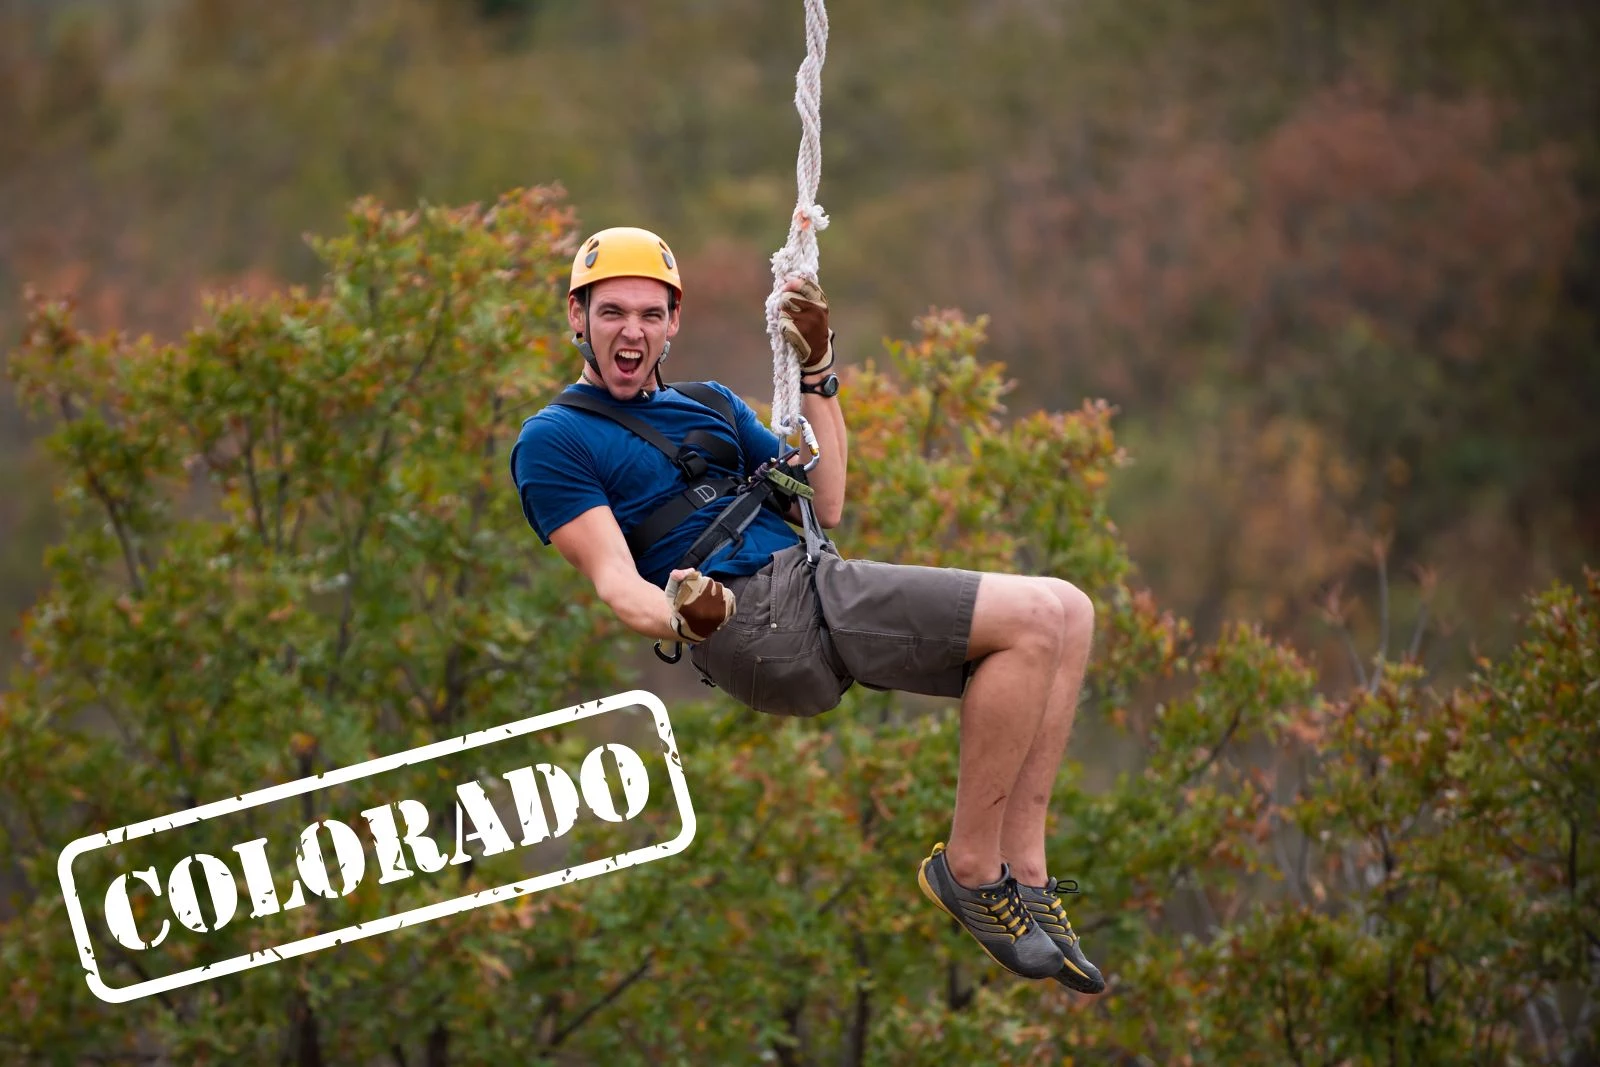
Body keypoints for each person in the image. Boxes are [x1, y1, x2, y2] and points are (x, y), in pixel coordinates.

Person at [509, 225, 1105, 993]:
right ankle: (969, 868)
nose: (632, 331)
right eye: (614, 312)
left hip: (813, 582)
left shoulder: (713, 406)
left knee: (1070, 612)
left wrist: (819, 367)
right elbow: (615, 582)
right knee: (1032, 619)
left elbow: (827, 499)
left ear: (675, 322)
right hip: (755, 620)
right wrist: (682, 615)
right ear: (576, 317)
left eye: (650, 314)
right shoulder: (556, 439)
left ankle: (1022, 874)